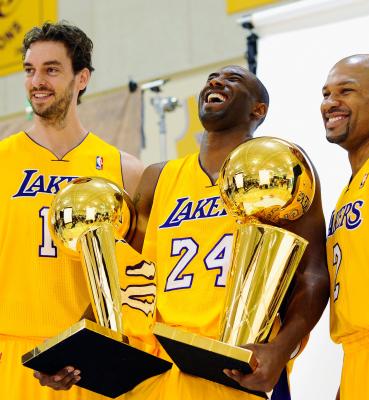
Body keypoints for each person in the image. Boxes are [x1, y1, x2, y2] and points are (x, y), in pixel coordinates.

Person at [37, 65, 329, 399]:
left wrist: (281, 349)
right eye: (211, 79)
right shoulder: (157, 178)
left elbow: (313, 274)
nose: (216, 82)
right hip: (159, 369)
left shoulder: (276, 170)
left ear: (258, 110)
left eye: (233, 80)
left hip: (233, 365)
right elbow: (125, 276)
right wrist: (78, 347)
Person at [0, 22, 144, 400]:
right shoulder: (2, 160)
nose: (37, 81)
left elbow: (140, 276)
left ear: (82, 78)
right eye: (30, 70)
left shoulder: (124, 170)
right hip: (13, 354)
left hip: (89, 357)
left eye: (51, 69)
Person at [321, 54, 369, 400]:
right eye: (325, 94)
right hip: (358, 361)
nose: (330, 103)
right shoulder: (352, 186)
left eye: (346, 91)